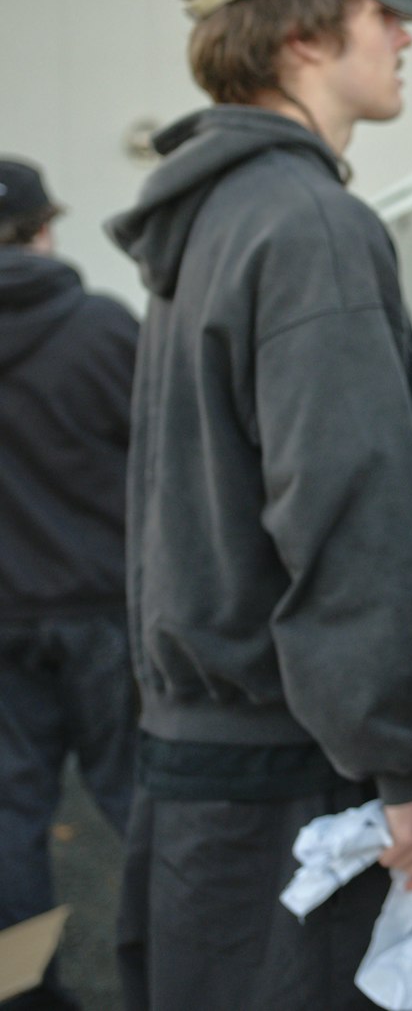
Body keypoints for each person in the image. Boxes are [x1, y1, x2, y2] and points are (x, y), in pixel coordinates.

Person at [107, 0, 412, 1011]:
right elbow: (347, 517)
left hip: (194, 766)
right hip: (283, 782)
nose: (405, 34)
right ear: (304, 35)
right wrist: (402, 767)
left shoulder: (213, 218)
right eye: (382, 11)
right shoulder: (309, 226)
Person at [0, 160, 138, 1011]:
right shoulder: (103, 328)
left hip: (2, 618)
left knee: (9, 814)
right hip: (105, 612)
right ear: (45, 229)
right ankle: (172, 973)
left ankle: (22, 990)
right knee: (144, 799)